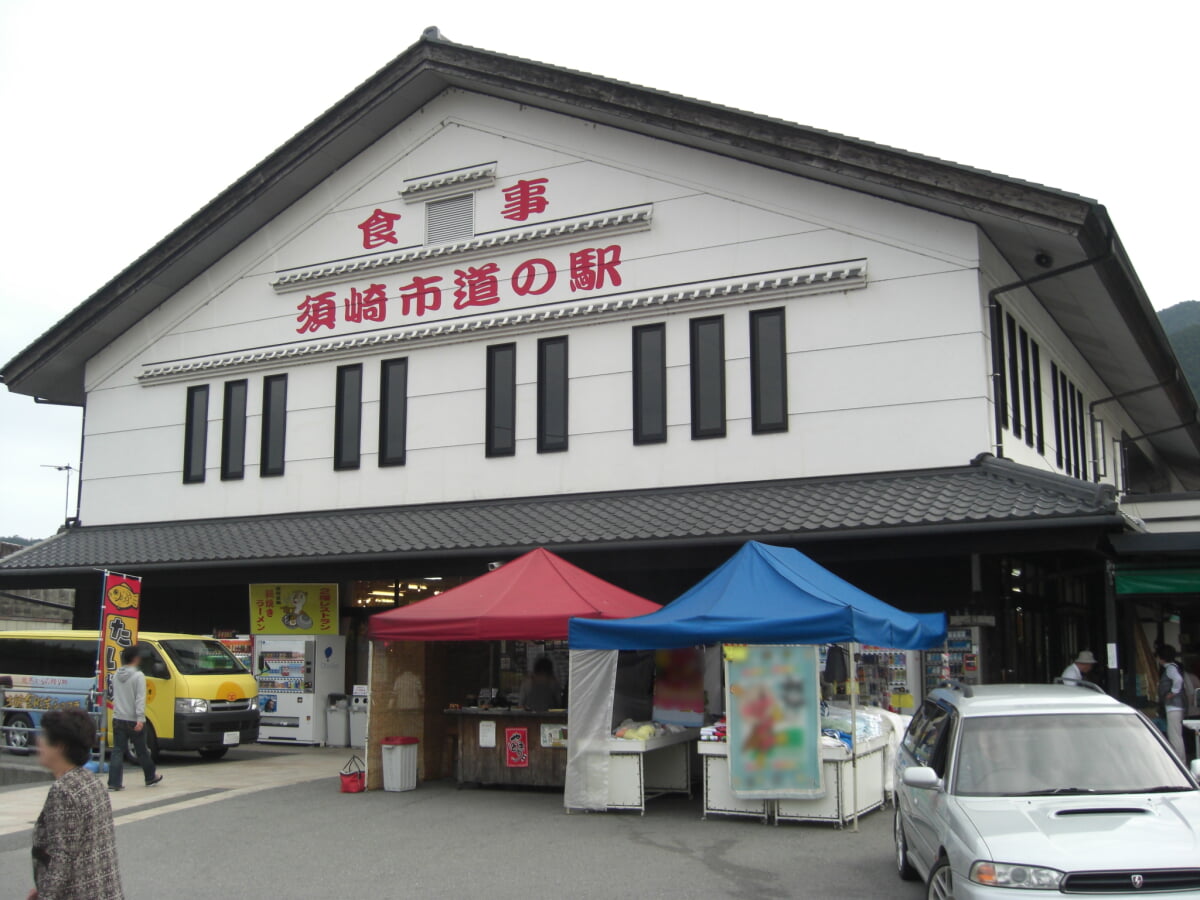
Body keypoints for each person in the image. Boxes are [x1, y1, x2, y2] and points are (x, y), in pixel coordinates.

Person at [29, 708, 124, 900]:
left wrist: (45, 895)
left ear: (60, 746)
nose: (39, 742)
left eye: (44, 737)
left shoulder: (63, 791)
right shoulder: (91, 781)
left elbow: (61, 859)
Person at [107, 644, 162, 791]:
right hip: (133, 719)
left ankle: (114, 782)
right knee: (142, 750)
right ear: (136, 659)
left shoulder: (116, 675)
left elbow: (115, 696)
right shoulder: (138, 676)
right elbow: (140, 699)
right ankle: (150, 776)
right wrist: (140, 718)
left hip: (118, 717)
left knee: (117, 751)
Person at [1157, 644, 1187, 760]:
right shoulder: (1174, 667)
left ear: (1162, 658)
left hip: (1173, 706)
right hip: (1177, 706)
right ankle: (1181, 759)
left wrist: (1173, 692)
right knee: (1176, 734)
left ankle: (1180, 761)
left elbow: (1178, 680)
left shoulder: (1170, 668)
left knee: (1174, 735)